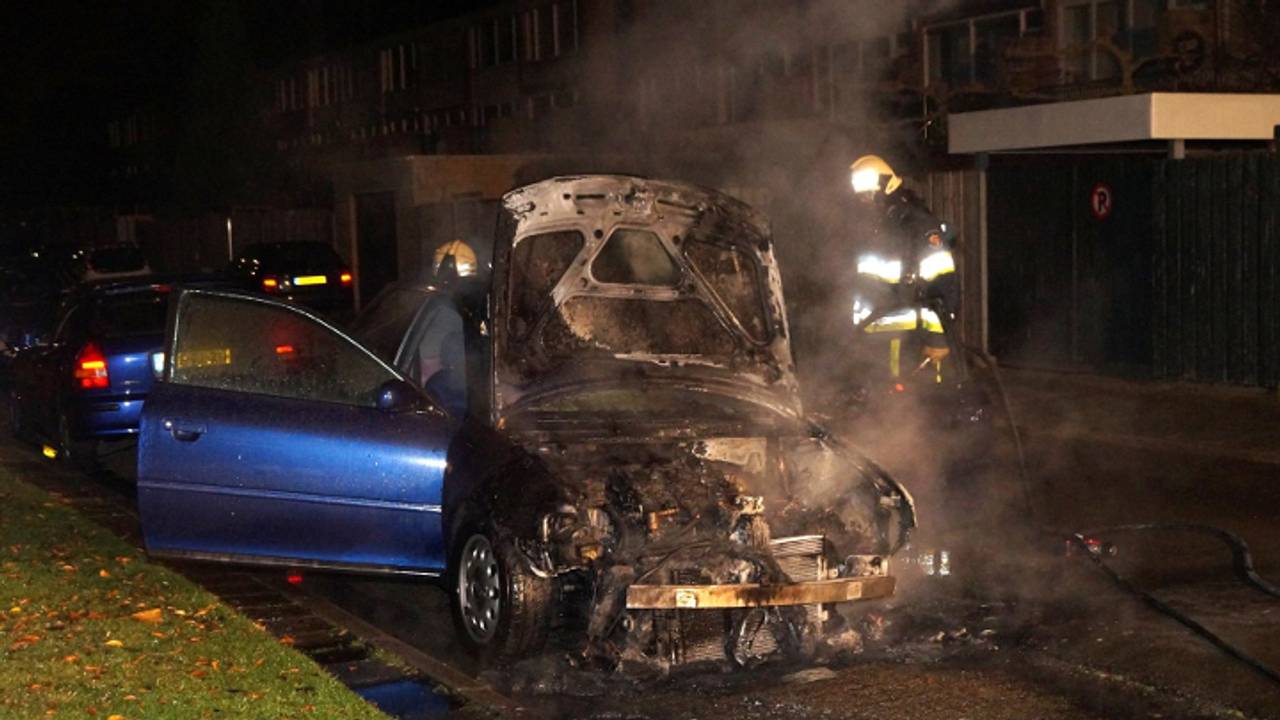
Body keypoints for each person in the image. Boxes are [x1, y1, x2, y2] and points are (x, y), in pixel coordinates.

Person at [847, 154, 960, 388]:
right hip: (873, 339)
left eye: (868, 193)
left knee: (918, 408)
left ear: (887, 185)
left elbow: (943, 281)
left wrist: (938, 338)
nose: (864, 200)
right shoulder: (873, 228)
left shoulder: (918, 225)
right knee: (879, 411)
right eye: (860, 194)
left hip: (910, 342)